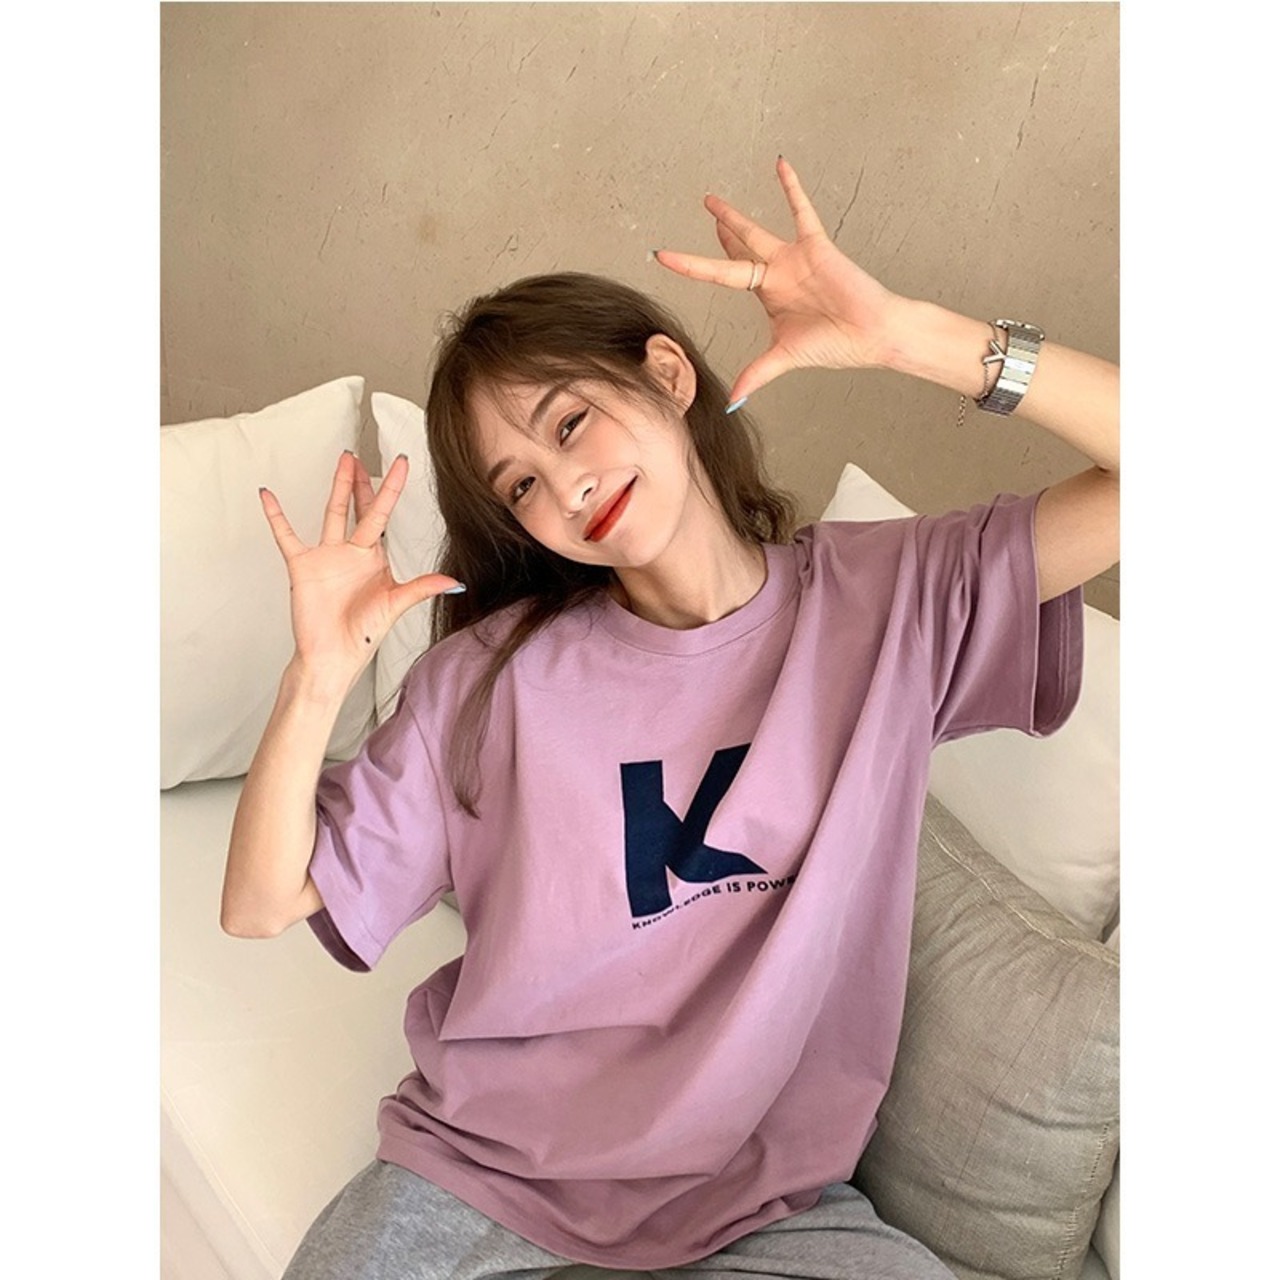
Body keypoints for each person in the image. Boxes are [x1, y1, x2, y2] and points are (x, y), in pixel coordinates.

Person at [221, 157, 1119, 1279]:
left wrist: (908, 337)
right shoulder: (492, 682)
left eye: (570, 422)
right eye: (519, 485)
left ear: (668, 375)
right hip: (488, 1178)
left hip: (764, 1203)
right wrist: (316, 675)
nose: (565, 487)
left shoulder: (890, 602)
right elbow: (260, 904)